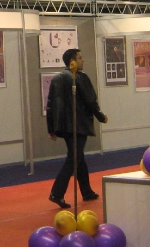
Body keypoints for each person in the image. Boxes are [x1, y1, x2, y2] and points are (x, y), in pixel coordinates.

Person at [46, 48, 108, 209]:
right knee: (73, 158)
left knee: (78, 156)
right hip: (78, 125)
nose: (82, 60)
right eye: (80, 58)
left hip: (63, 126)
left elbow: (50, 105)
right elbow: (91, 101)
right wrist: (101, 116)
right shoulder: (81, 77)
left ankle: (86, 191)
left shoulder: (57, 79)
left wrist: (51, 128)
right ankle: (57, 193)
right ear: (72, 61)